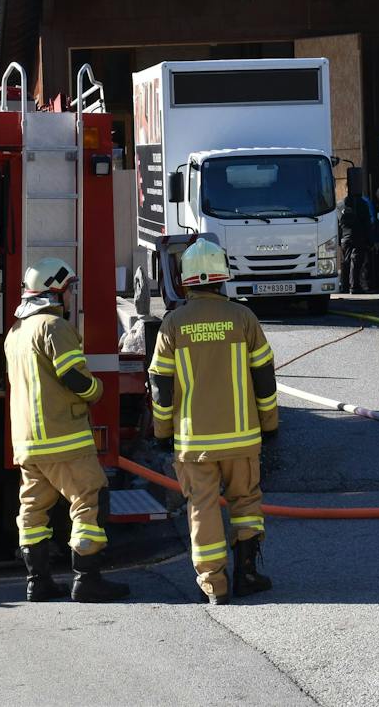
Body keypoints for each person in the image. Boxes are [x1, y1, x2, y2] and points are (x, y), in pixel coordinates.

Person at [149, 238, 280, 604]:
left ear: (186, 281)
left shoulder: (172, 325)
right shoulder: (244, 318)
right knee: (246, 503)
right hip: (242, 439)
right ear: (222, 278)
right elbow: (264, 379)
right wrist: (269, 424)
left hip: (195, 443)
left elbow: (161, 388)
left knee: (202, 508)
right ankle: (248, 573)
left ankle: (215, 586)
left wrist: (162, 433)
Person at [6, 257, 130, 603]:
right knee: (88, 498)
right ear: (55, 292)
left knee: (32, 509)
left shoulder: (15, 333)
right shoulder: (54, 326)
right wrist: (96, 392)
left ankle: (38, 582)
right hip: (64, 438)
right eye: (70, 289)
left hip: (28, 442)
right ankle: (87, 580)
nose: (74, 295)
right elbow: (73, 375)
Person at [336, 175, 377, 294]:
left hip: (345, 237)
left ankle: (344, 286)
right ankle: (354, 286)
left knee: (345, 262)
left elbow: (338, 223)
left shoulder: (340, 205)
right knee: (356, 261)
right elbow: (367, 223)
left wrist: (339, 239)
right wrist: (370, 240)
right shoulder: (362, 203)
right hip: (359, 236)